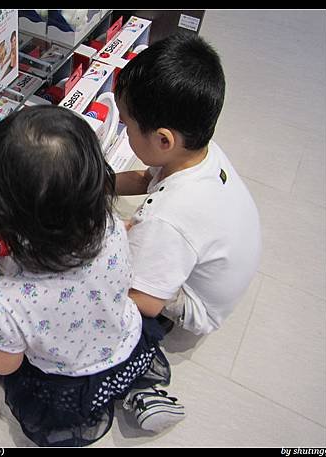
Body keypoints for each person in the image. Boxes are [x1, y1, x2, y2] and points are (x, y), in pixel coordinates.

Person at [0, 105, 185, 447]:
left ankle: (115, 400)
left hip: (67, 382)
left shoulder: (9, 301)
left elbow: (1, 362)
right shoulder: (113, 229)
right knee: (119, 372)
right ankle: (139, 393)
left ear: (5, 216)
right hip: (125, 344)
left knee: (59, 395)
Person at [113, 33, 261, 336]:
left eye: (126, 125)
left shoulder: (166, 218)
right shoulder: (200, 152)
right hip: (224, 263)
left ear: (163, 139)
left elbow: (146, 301)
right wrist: (96, 182)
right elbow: (145, 178)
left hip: (198, 304)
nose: (123, 130)